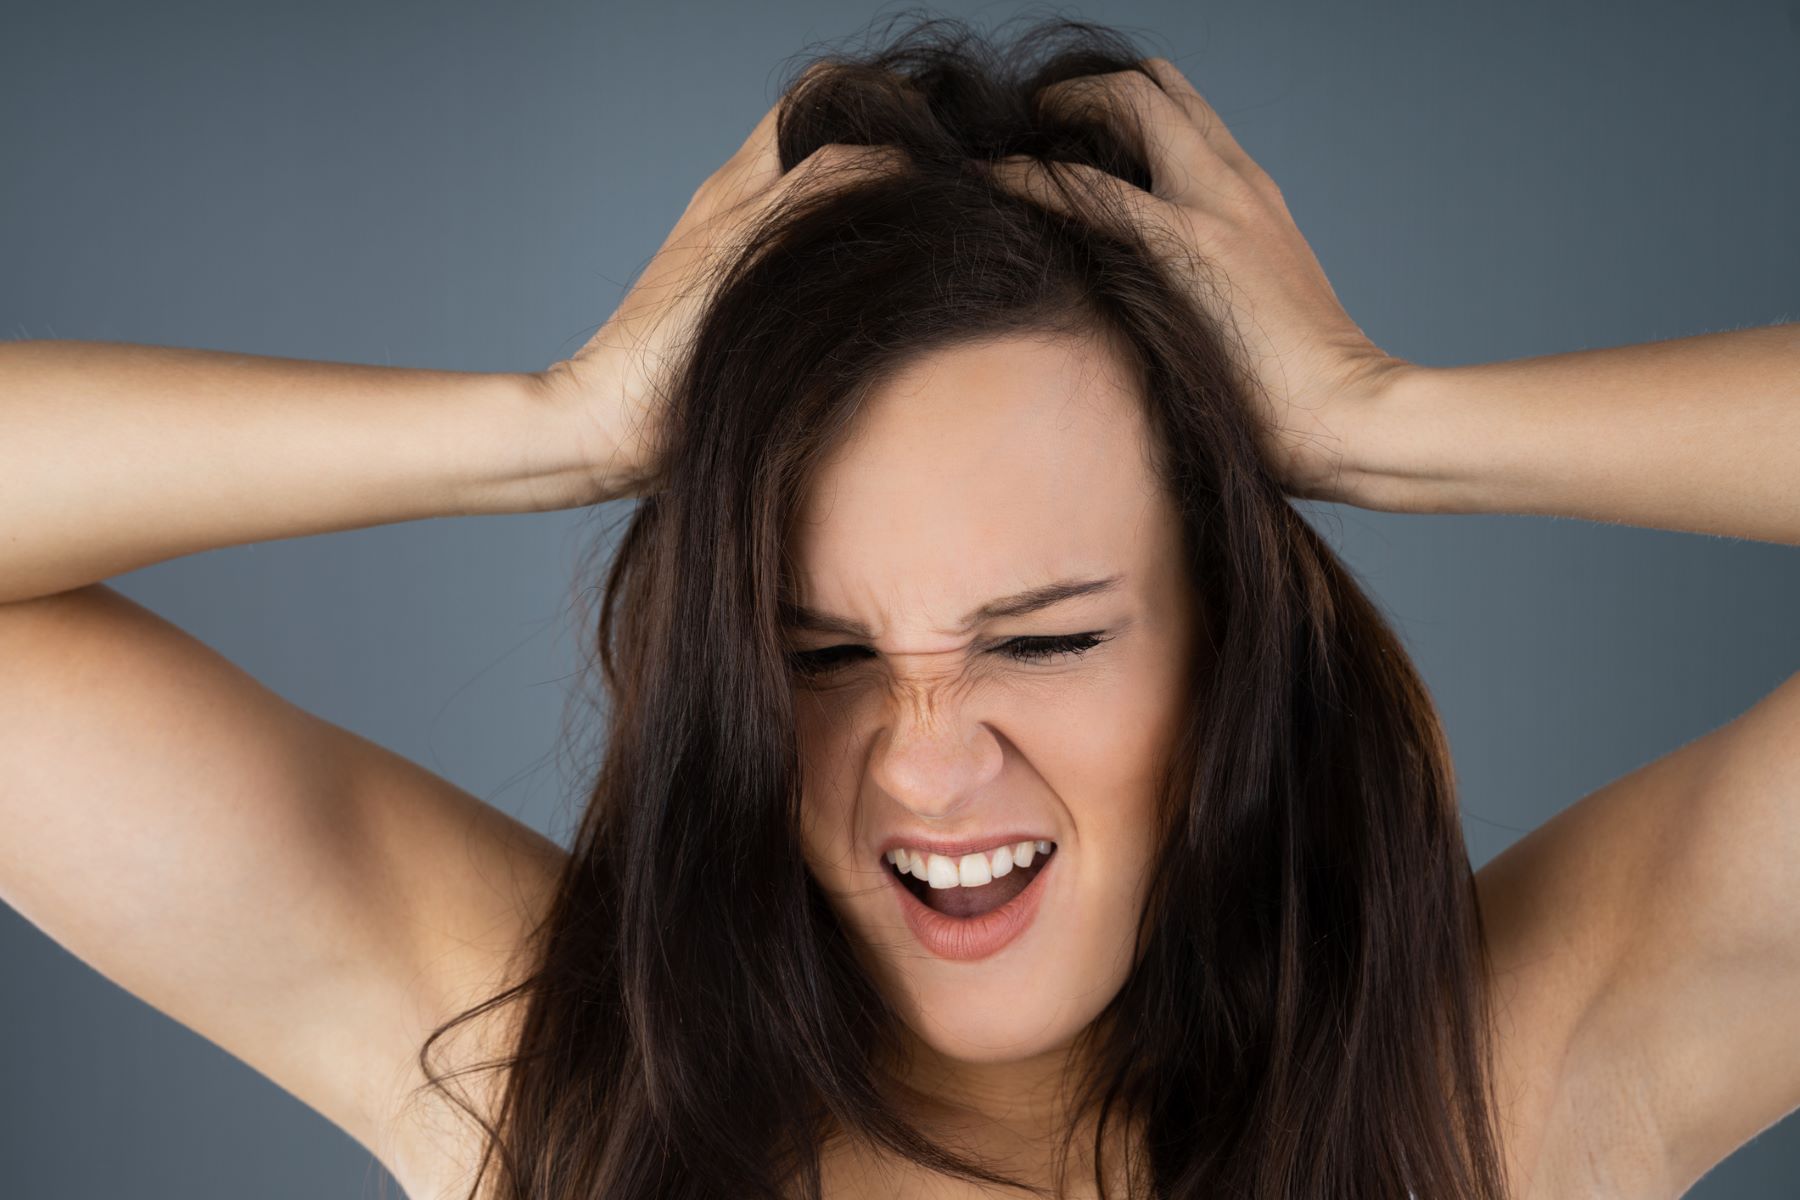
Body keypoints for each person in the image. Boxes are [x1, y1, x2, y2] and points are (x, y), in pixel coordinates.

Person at [1, 16, 1795, 1200]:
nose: (926, 766)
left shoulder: (1505, 1092)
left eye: (1043, 635)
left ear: (1232, 645)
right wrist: (558, 422)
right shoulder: (551, 1089)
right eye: (824, 655)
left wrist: (1382, 422)